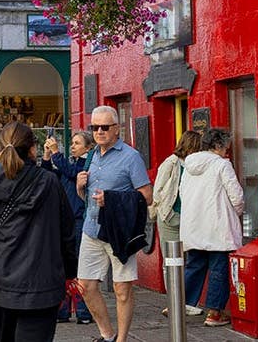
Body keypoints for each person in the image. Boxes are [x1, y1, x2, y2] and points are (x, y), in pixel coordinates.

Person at [0, 122, 77, 341]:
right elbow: (67, 233)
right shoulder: (50, 183)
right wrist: (70, 274)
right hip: (43, 285)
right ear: (32, 149)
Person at [76, 106, 153, 342]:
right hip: (91, 229)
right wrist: (80, 188)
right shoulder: (91, 156)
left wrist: (111, 199)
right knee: (85, 286)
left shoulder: (130, 157)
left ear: (116, 129)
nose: (99, 132)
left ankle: (122, 340)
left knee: (122, 289)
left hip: (118, 231)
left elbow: (147, 195)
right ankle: (107, 334)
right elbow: (88, 199)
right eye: (94, 127)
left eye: (104, 127)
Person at [179, 128, 244, 328]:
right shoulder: (222, 165)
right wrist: (238, 213)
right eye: (226, 147)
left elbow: (182, 193)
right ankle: (215, 313)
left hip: (193, 225)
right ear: (217, 146)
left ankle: (182, 304)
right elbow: (237, 196)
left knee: (195, 265)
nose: (227, 151)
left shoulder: (189, 165)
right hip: (217, 226)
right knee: (218, 269)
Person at [40, 131, 94, 325]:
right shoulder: (69, 163)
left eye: (77, 143)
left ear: (88, 148)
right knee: (62, 268)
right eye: (72, 143)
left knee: (80, 267)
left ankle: (83, 312)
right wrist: (47, 156)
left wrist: (56, 153)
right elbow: (47, 175)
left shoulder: (87, 164)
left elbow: (72, 173)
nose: (73, 146)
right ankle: (62, 311)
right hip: (62, 222)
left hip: (79, 221)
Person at [153, 130, 203, 318]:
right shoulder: (171, 163)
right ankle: (173, 302)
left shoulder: (196, 165)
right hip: (170, 216)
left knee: (190, 259)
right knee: (172, 260)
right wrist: (165, 207)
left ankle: (185, 301)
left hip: (190, 218)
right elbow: (158, 190)